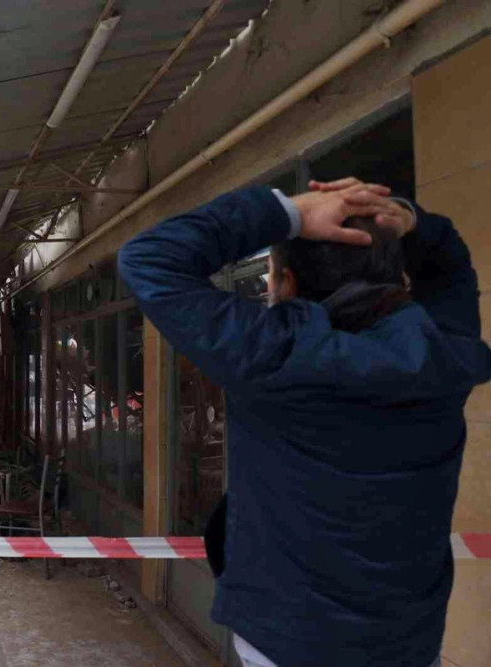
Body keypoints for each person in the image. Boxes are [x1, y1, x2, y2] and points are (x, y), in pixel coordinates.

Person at [117, 178, 491, 667]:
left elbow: (147, 258)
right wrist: (409, 224)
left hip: (287, 644)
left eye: (271, 277)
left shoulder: (275, 357)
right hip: (407, 644)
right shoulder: (443, 358)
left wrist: (290, 213)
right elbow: (452, 273)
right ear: (398, 282)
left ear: (289, 284)